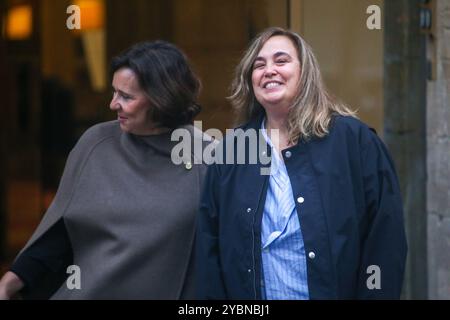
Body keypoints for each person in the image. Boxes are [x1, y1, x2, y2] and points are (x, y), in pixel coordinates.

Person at [196, 27, 407, 299]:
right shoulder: (231, 151)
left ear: (305, 72)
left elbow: (385, 241)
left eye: (281, 61)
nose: (269, 70)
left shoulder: (355, 142)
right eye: (259, 65)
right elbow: (209, 249)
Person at [0, 40, 210, 299]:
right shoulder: (95, 144)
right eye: (114, 92)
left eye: (126, 96)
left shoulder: (208, 158)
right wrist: (11, 281)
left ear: (161, 100)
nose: (113, 104)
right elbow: (60, 231)